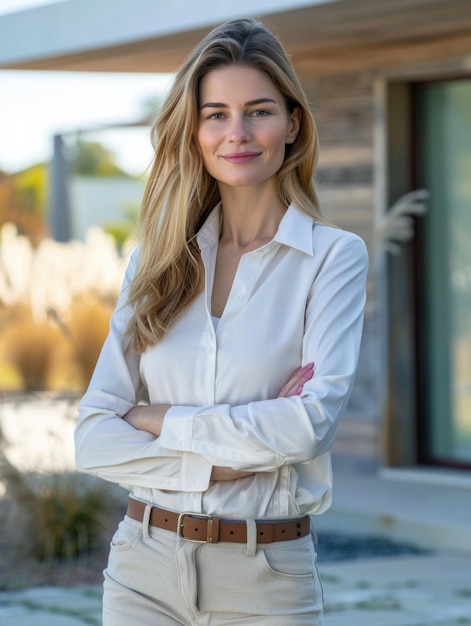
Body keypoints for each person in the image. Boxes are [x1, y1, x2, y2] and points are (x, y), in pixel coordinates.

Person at [75, 16, 368, 625]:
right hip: (141, 568)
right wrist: (236, 456)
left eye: (258, 111)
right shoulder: (153, 265)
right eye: (216, 114)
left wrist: (157, 418)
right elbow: (92, 437)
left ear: (292, 123)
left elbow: (308, 426)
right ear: (196, 128)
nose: (237, 133)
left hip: (264, 575)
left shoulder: (333, 258)